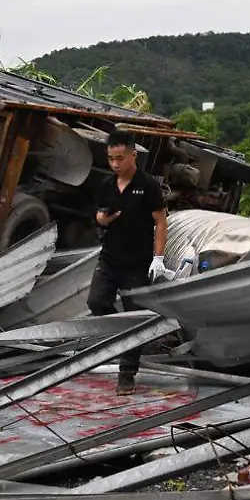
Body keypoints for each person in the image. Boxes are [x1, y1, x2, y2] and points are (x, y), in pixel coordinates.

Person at [90, 130, 169, 395]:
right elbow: (99, 216)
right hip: (110, 258)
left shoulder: (148, 185)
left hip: (137, 262)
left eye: (120, 158)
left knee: (135, 317)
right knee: (96, 302)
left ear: (133, 155)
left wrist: (158, 257)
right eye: (111, 158)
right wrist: (106, 220)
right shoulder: (106, 185)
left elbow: (160, 221)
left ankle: (127, 373)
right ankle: (119, 334)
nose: (115, 164)